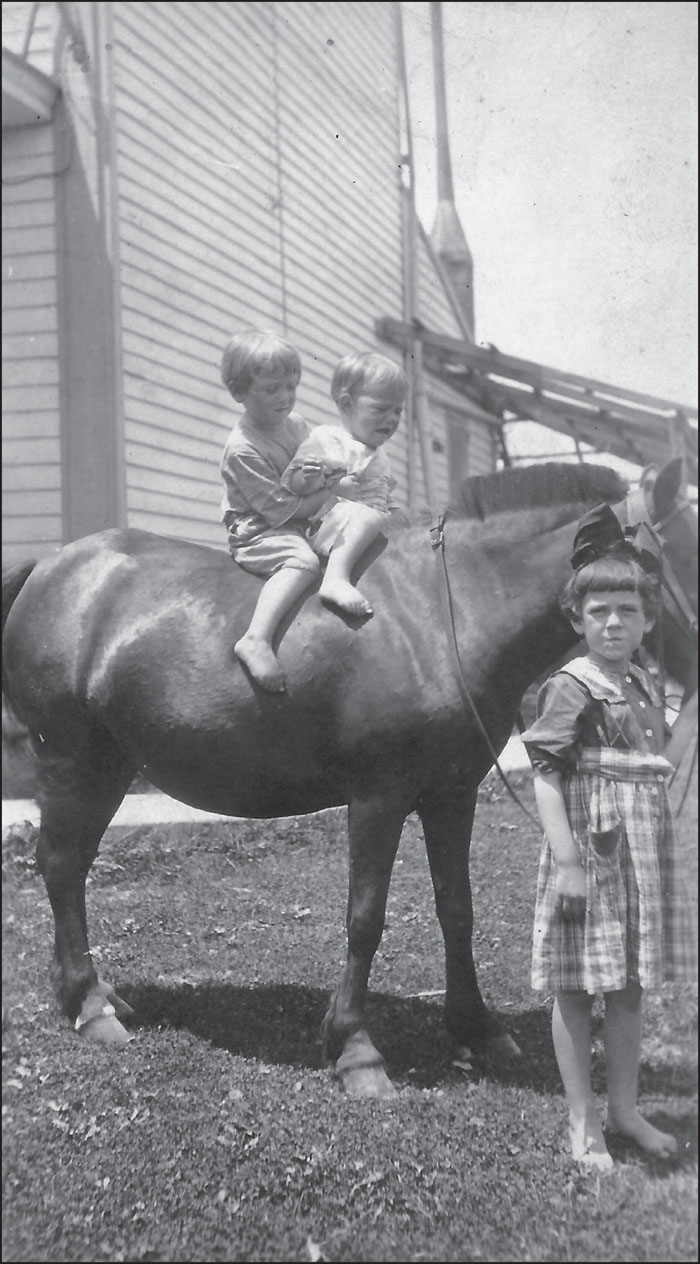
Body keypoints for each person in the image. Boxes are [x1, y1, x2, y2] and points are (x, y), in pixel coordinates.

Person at [520, 503, 698, 1172]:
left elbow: (663, 767)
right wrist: (566, 860)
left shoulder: (645, 683)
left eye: (627, 611)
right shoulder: (571, 687)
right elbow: (544, 776)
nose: (614, 623)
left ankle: (625, 1108)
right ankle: (582, 1119)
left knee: (628, 986)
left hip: (642, 854)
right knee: (575, 985)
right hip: (590, 854)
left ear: (649, 619)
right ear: (578, 619)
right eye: (599, 612)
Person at [219, 329, 332, 693]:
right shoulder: (242, 449)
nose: (285, 398)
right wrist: (328, 493)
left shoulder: (295, 424)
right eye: (271, 390)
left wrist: (320, 474)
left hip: (301, 514)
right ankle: (256, 638)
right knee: (303, 563)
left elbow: (312, 465)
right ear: (239, 393)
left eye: (291, 386)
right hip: (259, 530)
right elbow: (279, 511)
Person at [280, 351, 408, 618]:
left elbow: (385, 494)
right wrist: (320, 482)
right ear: (347, 404)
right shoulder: (328, 439)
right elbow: (293, 482)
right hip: (330, 527)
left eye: (398, 410)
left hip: (365, 525)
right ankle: (335, 580)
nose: (393, 418)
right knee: (365, 516)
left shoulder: (378, 454)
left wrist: (400, 516)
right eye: (381, 409)